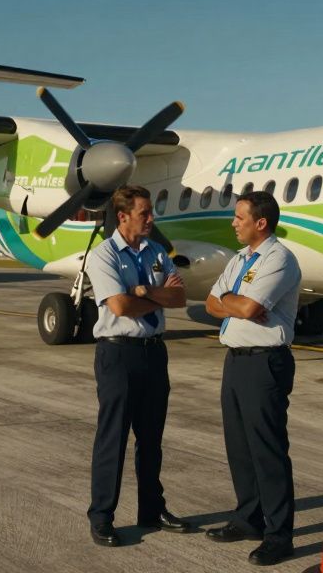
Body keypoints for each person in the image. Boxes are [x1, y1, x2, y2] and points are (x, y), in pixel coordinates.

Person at [84, 185, 192, 547]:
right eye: (145, 213)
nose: (151, 219)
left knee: (151, 438)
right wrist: (148, 296)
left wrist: (143, 293)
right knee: (112, 438)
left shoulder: (157, 251)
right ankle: (101, 516)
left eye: (151, 212)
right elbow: (118, 306)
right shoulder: (103, 256)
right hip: (118, 354)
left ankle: (151, 509)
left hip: (153, 352)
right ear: (123, 216)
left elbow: (179, 296)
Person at [204, 190, 302, 566]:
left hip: (265, 363)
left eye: (239, 217)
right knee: (239, 447)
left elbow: (250, 306)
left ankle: (280, 535)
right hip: (235, 359)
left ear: (260, 223)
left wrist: (236, 303)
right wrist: (236, 303)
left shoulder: (279, 259)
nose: (233, 223)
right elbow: (211, 303)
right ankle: (249, 519)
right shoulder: (240, 258)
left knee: (268, 450)